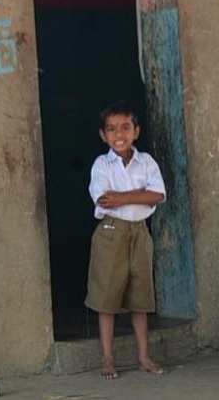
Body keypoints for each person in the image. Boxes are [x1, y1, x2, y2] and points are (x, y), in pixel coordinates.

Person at [85, 101, 167, 379]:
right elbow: (103, 199)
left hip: (139, 232)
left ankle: (144, 356)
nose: (119, 134)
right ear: (103, 135)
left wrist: (122, 197)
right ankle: (108, 359)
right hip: (111, 232)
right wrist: (137, 194)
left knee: (140, 298)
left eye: (125, 127)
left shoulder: (147, 162)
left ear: (136, 130)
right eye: (111, 129)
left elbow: (157, 195)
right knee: (107, 298)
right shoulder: (101, 165)